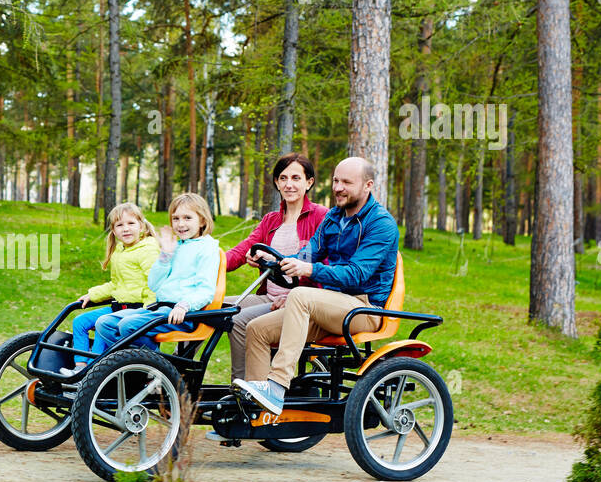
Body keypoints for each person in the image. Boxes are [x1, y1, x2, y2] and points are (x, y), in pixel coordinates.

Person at [235, 157, 399, 416]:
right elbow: (310, 252)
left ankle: (276, 386)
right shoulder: (334, 217)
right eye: (335, 180)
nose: (338, 188)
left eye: (347, 182)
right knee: (257, 329)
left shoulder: (381, 224)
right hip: (331, 306)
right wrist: (280, 262)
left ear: (368, 185)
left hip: (364, 308)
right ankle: (253, 411)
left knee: (300, 295)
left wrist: (309, 269)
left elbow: (357, 274)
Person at [222, 153, 328, 383]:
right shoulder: (271, 220)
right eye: (283, 178)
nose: (289, 184)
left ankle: (242, 387)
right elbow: (241, 251)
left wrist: (295, 297)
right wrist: (212, 263)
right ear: (277, 183)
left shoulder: (321, 217)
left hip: (300, 302)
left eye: (296, 178)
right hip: (269, 297)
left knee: (239, 321)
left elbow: (326, 264)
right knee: (210, 308)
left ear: (309, 182)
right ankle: (183, 376)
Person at [89, 192, 221, 361]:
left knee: (128, 326)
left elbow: (206, 290)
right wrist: (165, 255)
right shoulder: (176, 246)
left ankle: (156, 367)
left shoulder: (207, 248)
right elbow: (154, 284)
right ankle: (141, 365)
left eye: (187, 218)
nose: (181, 224)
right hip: (160, 308)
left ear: (202, 220)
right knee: (104, 324)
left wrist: (184, 306)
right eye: (176, 219)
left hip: (183, 313)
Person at [61, 203, 158, 376]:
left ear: (141, 226)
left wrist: (151, 311)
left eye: (131, 223)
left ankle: (92, 374)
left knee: (102, 324)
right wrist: (92, 295)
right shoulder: (120, 251)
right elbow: (115, 284)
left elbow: (155, 283)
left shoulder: (148, 250)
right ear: (113, 230)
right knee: (80, 322)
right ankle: (80, 367)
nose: (125, 229)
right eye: (120, 225)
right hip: (118, 307)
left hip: (138, 310)